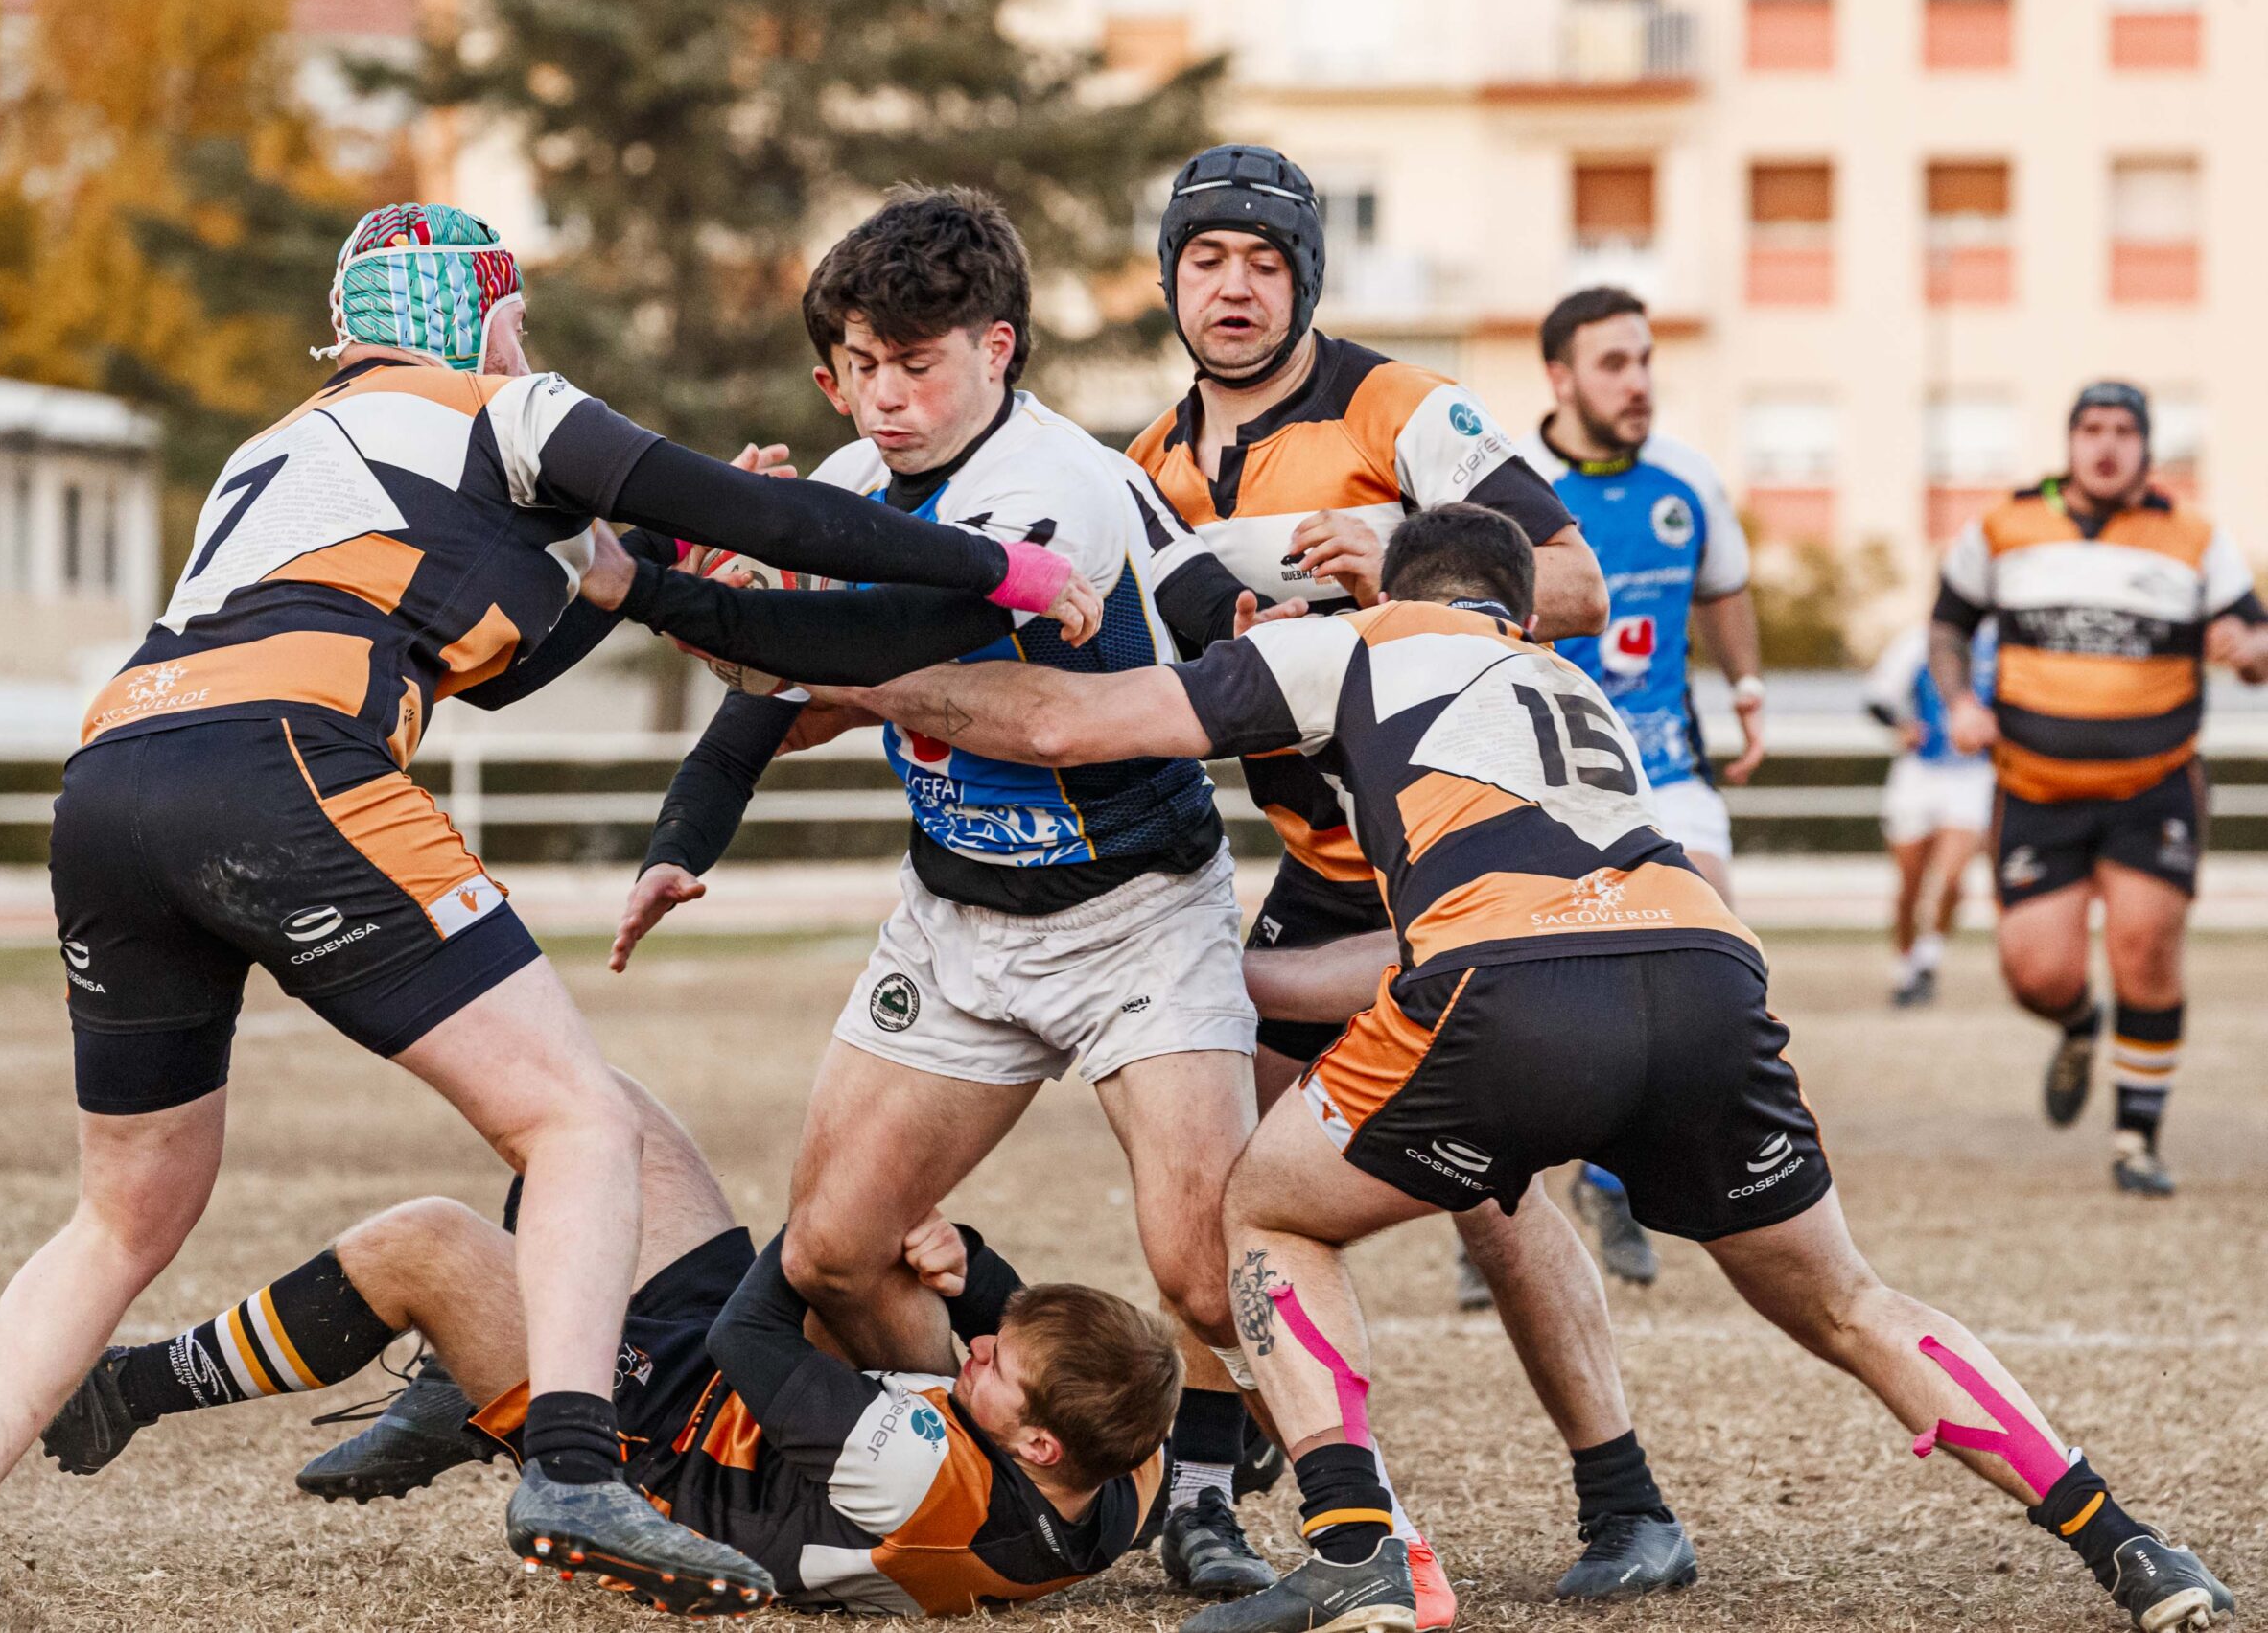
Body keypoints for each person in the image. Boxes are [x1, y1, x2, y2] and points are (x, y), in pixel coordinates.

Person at [0, 201, 1104, 1633]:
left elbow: (502, 661)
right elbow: (771, 516)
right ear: (486, 315)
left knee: (121, 1213)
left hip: (115, 775)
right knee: (577, 1119)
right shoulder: (508, 407)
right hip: (286, 763)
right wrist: (1006, 572)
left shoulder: (282, 447)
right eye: (517, 321)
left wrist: (622, 563)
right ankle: (573, 1464)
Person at [819, 502, 2236, 1633]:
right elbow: (1448, 930)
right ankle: (2131, 1545)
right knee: (1852, 1299)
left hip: (1513, 990)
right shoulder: (1570, 688)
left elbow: (1074, 722)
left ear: (1401, 580)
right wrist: (1219, 977)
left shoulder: (1372, 642)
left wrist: (865, 676)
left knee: (1266, 1211)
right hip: (1704, 977)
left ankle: (1357, 1549)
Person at [601, 187, 1280, 1602]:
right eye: (861, 363)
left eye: (918, 363)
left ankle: (1252, 1499)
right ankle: (1002, 1476)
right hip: (958, 921)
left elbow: (882, 635)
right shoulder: (855, 485)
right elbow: (779, 688)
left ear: (1000, 348)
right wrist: (686, 832)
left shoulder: (1057, 488)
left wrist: (652, 587)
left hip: (1134, 918)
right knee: (836, 1252)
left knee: (1203, 1263)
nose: (886, 395)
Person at [1123, 144, 1694, 1608]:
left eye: (1264, 260)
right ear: (1172, 276)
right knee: (1219, 1176)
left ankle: (1627, 1499)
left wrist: (1396, 550)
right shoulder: (1148, 465)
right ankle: (1208, 1491)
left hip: (1469, 864)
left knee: (1492, 1200)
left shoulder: (1400, 409)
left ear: (1306, 277)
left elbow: (1569, 580)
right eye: (1207, 259)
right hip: (1323, 874)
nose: (1234, 286)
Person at [0, 1070, 1182, 1617]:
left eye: (996, 1365)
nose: (979, 1349)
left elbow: (765, 1313)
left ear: (1028, 1436)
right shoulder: (1124, 1472)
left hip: (666, 1457)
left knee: (426, 1241)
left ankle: (119, 1394)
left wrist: (835, 1228)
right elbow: (1009, 1355)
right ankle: (455, 1391)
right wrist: (971, 1266)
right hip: (756, 1407)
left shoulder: (924, 1466)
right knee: (594, 1106)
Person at [1933, 381, 2268, 1196]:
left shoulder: (2193, 537)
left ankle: (2136, 1139)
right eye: (2092, 428)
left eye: (2123, 430)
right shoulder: (2004, 526)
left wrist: (2247, 647)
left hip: (2152, 785)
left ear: (2147, 447)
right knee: (2036, 974)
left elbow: (2255, 642)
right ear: (2070, 441)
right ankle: (2081, 1024)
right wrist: (1957, 702)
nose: (2106, 444)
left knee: (2145, 947)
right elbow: (1947, 625)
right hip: (2035, 788)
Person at [1517, 285, 1766, 1289]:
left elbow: (1724, 586)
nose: (1638, 383)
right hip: (1540, 769)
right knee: (1530, 993)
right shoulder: (1510, 485)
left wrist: (1746, 687)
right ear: (1561, 377)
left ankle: (1618, 1188)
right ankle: (1497, 1211)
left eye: (1645, 360)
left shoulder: (1687, 481)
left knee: (1706, 963)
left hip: (1667, 763)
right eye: (1613, 363)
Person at [1863, 621, 1997, 1006]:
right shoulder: (1917, 641)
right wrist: (1901, 726)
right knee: (1910, 883)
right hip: (1919, 773)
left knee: (1952, 878)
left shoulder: (1999, 644)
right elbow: (1877, 700)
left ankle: (1927, 962)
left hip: (1973, 775)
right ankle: (1905, 966)